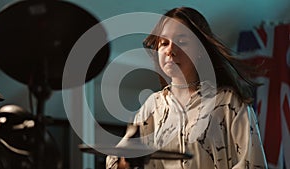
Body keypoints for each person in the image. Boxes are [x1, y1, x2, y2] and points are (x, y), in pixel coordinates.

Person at [106, 7, 268, 169]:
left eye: (181, 42)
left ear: (200, 50)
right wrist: (124, 161)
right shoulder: (152, 106)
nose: (170, 50)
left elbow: (253, 163)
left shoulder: (228, 102)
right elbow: (117, 159)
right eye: (164, 43)